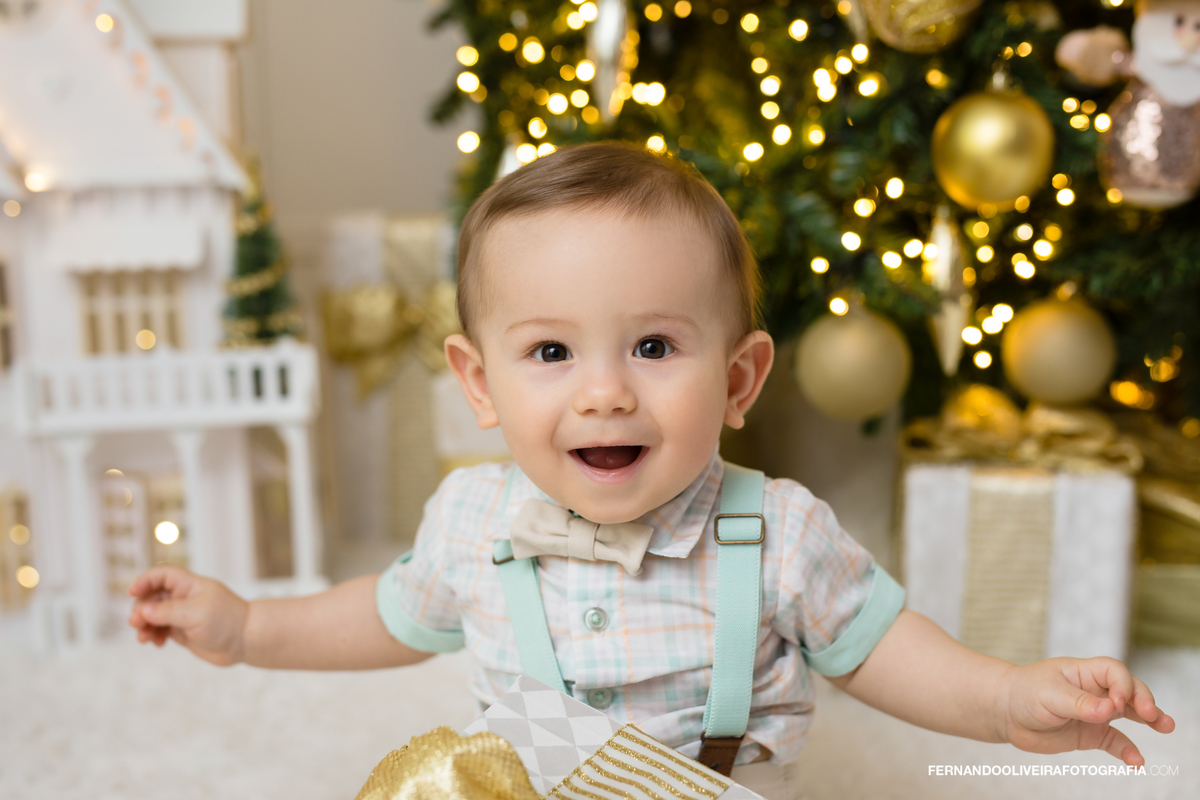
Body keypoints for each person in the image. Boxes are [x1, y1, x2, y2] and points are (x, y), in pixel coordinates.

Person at [129, 142, 1174, 799]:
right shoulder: (473, 517)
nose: (603, 393)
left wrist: (1005, 697)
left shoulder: (779, 530)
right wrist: (251, 626)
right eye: (550, 352)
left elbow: (885, 649)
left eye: (654, 346)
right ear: (477, 381)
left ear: (739, 376)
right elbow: (382, 615)